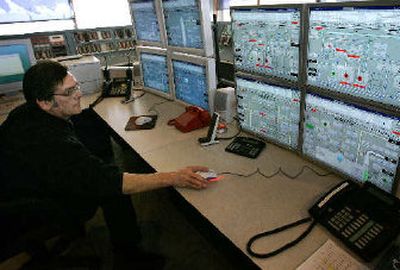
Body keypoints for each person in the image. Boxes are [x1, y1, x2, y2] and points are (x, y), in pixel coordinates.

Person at [0, 60, 209, 269]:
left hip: (18, 189)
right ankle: (129, 258)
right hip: (24, 209)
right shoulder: (49, 142)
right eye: (69, 91)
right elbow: (111, 181)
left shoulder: (25, 113)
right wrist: (174, 177)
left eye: (76, 86)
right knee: (112, 189)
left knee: (103, 162)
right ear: (44, 102)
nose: (78, 94)